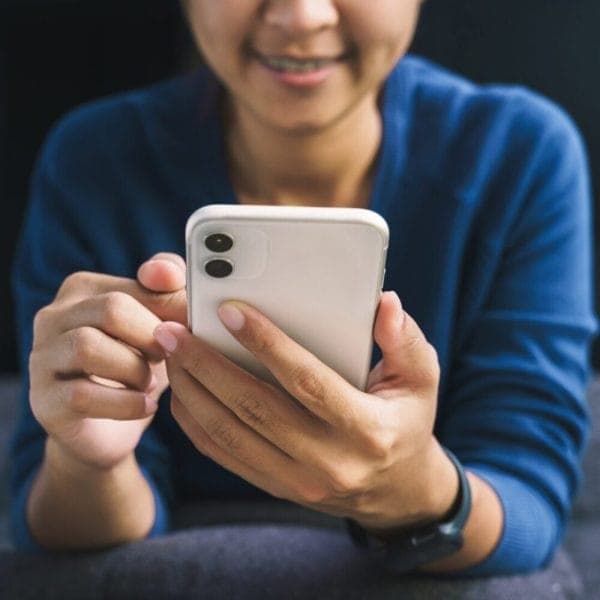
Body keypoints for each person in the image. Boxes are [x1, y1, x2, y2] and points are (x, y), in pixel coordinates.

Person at [8, 0, 596, 597]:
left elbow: (528, 496)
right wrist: (91, 461)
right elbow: (50, 522)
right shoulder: (95, 160)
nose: (303, 16)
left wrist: (408, 488)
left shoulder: (518, 154)